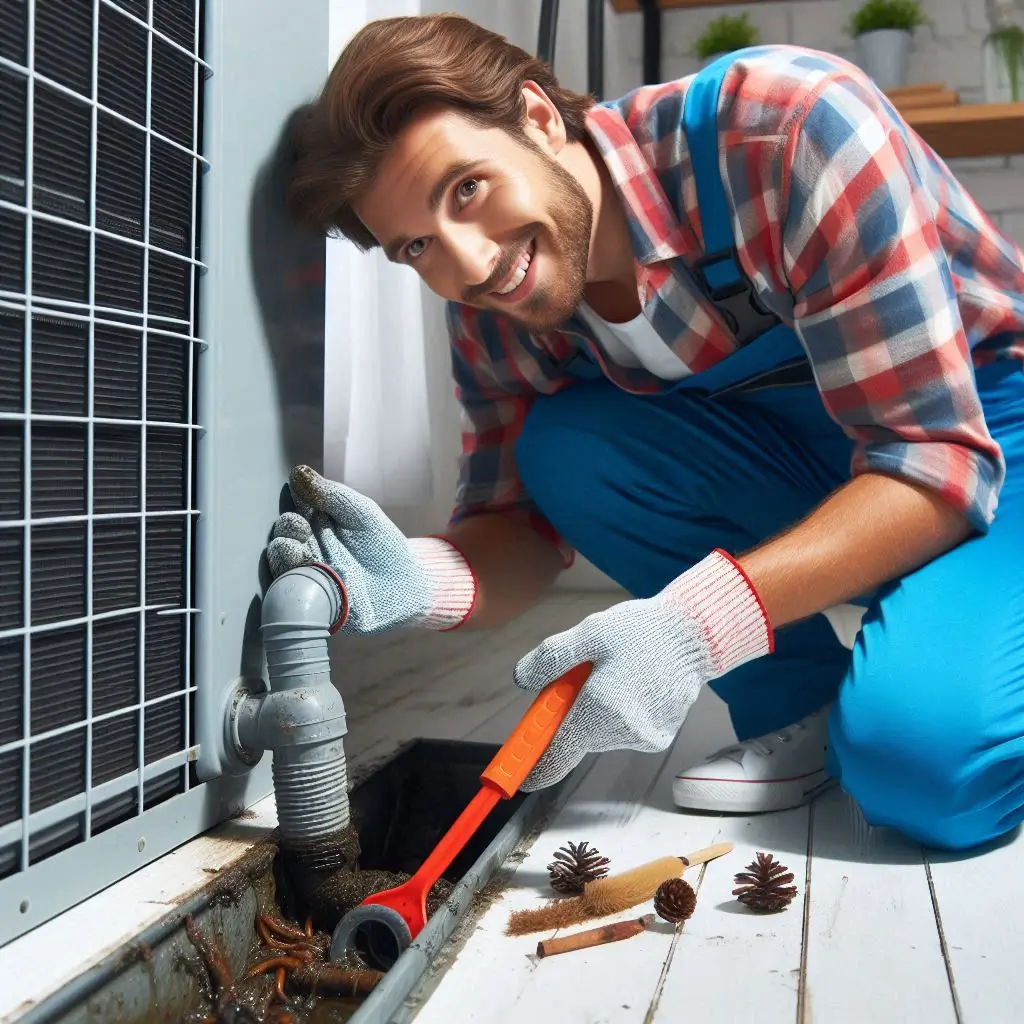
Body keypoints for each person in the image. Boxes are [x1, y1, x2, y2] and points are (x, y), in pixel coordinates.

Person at [265, 13, 1024, 852]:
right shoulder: (496, 315)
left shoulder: (785, 131)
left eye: (468, 190)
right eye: (417, 245)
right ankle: (799, 705)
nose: (471, 264)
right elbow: (515, 528)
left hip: (988, 441)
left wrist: (692, 627)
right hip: (825, 465)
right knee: (565, 447)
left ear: (538, 118)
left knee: (924, 769)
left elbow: (933, 458)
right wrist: (416, 578)